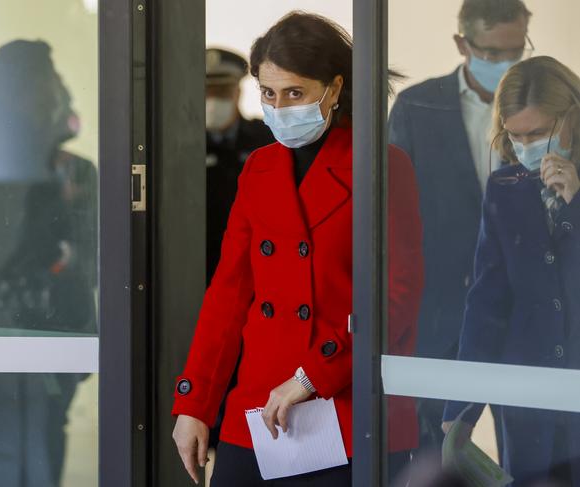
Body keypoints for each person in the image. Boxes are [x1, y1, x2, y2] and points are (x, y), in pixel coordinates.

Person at [172, 12, 424, 486]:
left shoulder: (383, 165)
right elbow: (228, 294)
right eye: (268, 93)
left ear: (334, 88)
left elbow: (400, 296)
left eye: (295, 93)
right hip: (259, 406)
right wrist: (196, 403)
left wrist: (311, 378)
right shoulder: (259, 168)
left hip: (348, 407)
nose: (279, 107)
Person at [388, 0, 533, 453]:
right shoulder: (417, 107)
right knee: (436, 453)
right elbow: (390, 220)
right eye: (491, 54)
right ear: (462, 44)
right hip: (439, 312)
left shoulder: (555, 104)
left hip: (529, 311)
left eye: (515, 51)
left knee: (533, 453)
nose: (505, 64)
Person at [0, 40, 97, 487]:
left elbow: (94, 259)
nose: (56, 93)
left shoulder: (72, 172)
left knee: (40, 449)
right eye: (46, 83)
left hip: (54, 340)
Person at [442, 56, 580, 486]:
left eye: (539, 133)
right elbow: (487, 302)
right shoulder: (504, 189)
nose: (527, 147)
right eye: (516, 136)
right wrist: (461, 409)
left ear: (572, 118)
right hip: (525, 398)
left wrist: (576, 207)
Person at [205, 47, 274, 284]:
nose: (212, 101)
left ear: (237, 92)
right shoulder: (177, 146)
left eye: (221, 92)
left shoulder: (267, 140)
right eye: (206, 92)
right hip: (200, 268)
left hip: (258, 269)